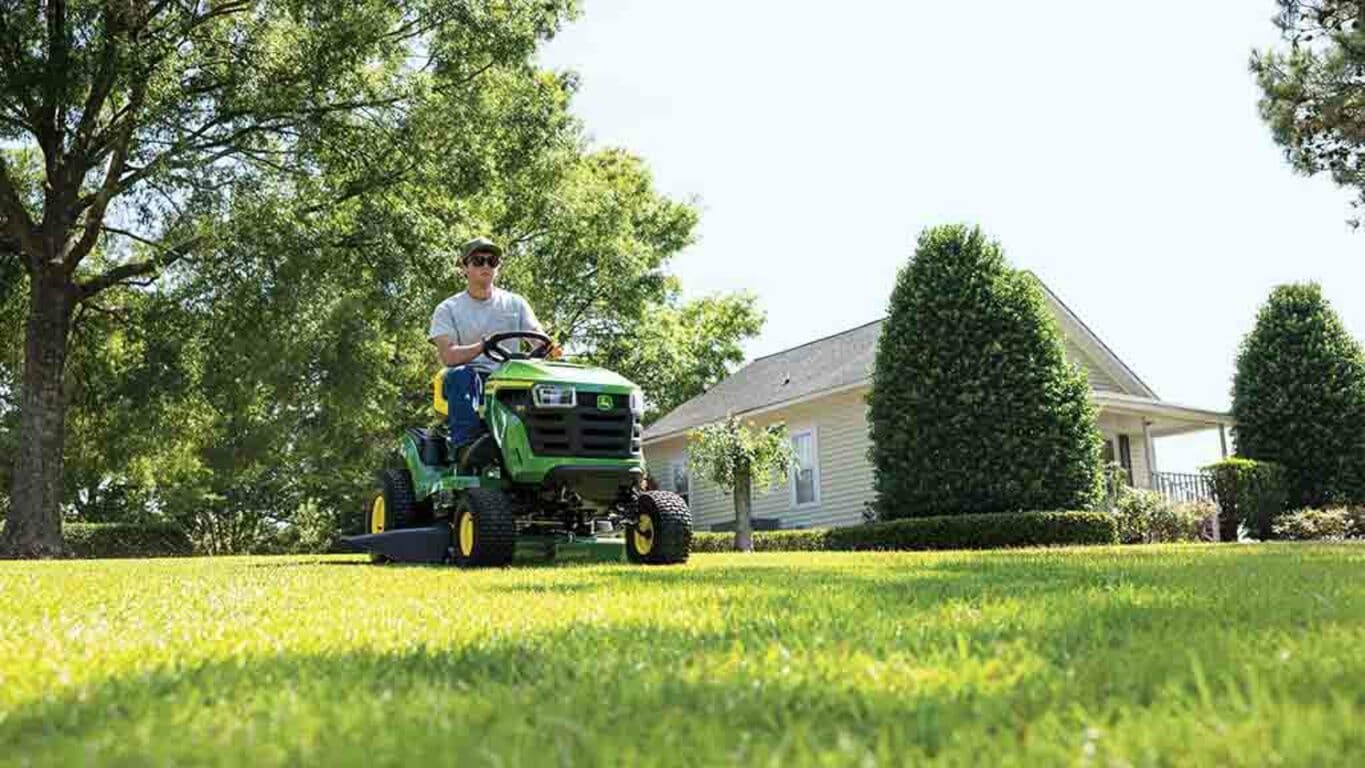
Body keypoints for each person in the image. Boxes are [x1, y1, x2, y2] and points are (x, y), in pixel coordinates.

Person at [428, 237, 556, 448]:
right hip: (474, 378)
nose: (486, 265)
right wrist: (481, 346)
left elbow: (536, 337)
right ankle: (467, 446)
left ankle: (550, 446)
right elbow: (448, 356)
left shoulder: (515, 302)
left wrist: (547, 347)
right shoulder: (448, 309)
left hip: (512, 376)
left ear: (498, 267)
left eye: (492, 261)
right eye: (478, 261)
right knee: (459, 374)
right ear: (464, 267)